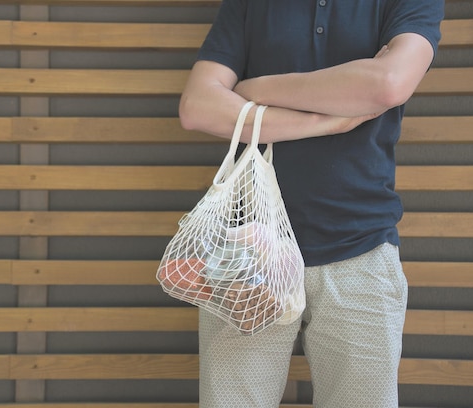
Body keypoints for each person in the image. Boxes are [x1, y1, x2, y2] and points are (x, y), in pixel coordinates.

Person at [178, 1, 445, 407]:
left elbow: (389, 83)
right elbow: (197, 108)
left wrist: (256, 90)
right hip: (247, 249)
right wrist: (328, 121)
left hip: (361, 248)